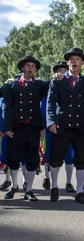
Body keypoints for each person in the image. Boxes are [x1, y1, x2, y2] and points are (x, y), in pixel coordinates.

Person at [46, 48, 84, 204]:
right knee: (56, 158)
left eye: (77, 59)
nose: (74, 61)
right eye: (71, 59)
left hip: (81, 127)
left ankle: (80, 191)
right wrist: (51, 121)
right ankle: (54, 187)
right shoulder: (57, 81)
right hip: (61, 126)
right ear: (67, 63)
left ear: (83, 63)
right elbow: (50, 103)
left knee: (81, 160)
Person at [2, 56, 52, 201]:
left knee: (32, 159)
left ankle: (29, 190)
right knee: (13, 158)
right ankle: (14, 186)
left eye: (33, 66)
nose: (30, 68)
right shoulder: (11, 85)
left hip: (32, 127)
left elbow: (51, 84)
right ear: (22, 68)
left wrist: (57, 76)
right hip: (16, 128)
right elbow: (6, 107)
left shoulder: (39, 85)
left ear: (35, 70)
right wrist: (6, 127)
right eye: (27, 65)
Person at [41, 61, 75, 192]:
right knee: (49, 152)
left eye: (64, 70)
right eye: (59, 70)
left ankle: (68, 182)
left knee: (69, 153)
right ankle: (47, 177)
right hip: (51, 126)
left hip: (67, 125)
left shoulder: (71, 86)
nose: (61, 72)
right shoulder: (49, 85)